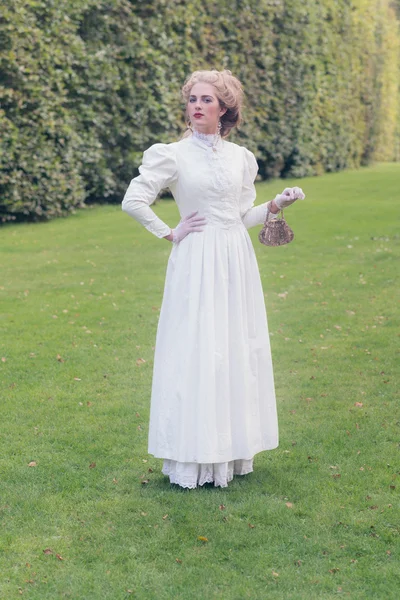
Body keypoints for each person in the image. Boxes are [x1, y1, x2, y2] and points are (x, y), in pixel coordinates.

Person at [122, 69, 304, 489]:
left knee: (234, 347)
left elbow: (243, 216)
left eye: (207, 100)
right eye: (192, 99)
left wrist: (277, 202)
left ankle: (231, 452)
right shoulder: (171, 154)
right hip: (197, 258)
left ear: (224, 109)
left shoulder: (241, 158)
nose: (197, 106)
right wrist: (169, 232)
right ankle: (192, 458)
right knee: (197, 348)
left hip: (235, 259)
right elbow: (134, 200)